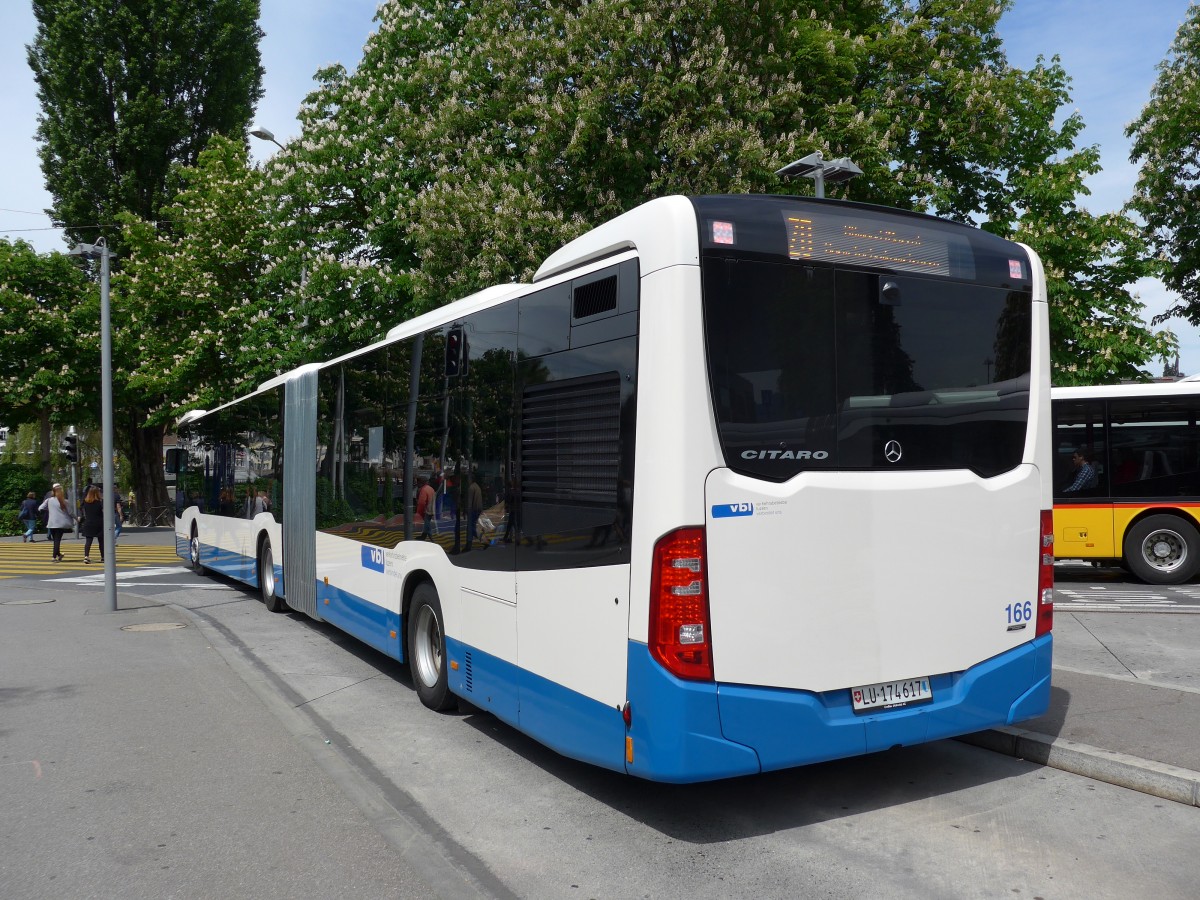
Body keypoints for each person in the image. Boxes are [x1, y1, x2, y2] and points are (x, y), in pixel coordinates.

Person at [38, 484, 73, 562]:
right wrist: (76, 518)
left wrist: (49, 510)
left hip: (52, 523)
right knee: (57, 540)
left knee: (55, 540)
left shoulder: (49, 500)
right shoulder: (64, 501)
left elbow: (40, 508)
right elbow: (70, 512)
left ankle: (59, 554)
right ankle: (54, 557)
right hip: (61, 523)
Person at [79, 485, 105, 563]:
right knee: (101, 541)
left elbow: (81, 510)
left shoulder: (85, 502)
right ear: (97, 493)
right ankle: (103, 557)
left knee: (88, 541)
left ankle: (86, 556)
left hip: (88, 523)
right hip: (99, 523)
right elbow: (103, 512)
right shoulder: (99, 502)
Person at [417, 475, 436, 540]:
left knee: (427, 524)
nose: (417, 484)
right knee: (427, 523)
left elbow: (421, 503)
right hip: (432, 509)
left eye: (418, 482)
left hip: (427, 510)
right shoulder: (431, 488)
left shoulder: (423, 490)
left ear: (421, 482)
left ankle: (431, 538)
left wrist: (419, 511)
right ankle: (423, 536)